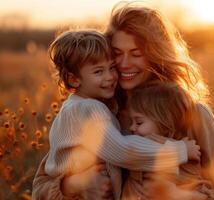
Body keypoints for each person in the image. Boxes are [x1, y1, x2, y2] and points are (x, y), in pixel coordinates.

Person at [32, 2, 214, 199]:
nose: (124, 64)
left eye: (135, 54)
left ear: (156, 55)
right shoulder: (99, 111)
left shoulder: (192, 114)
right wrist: (76, 185)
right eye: (116, 53)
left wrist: (183, 196)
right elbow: (40, 187)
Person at [32, 29, 200, 200]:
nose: (110, 77)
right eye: (98, 71)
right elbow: (122, 150)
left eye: (112, 67)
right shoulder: (88, 109)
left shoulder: (76, 107)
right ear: (74, 79)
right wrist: (178, 150)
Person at [122, 81, 214, 200]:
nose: (132, 128)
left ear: (164, 123)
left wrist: (180, 194)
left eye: (139, 122)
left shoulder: (163, 146)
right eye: (131, 122)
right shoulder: (178, 147)